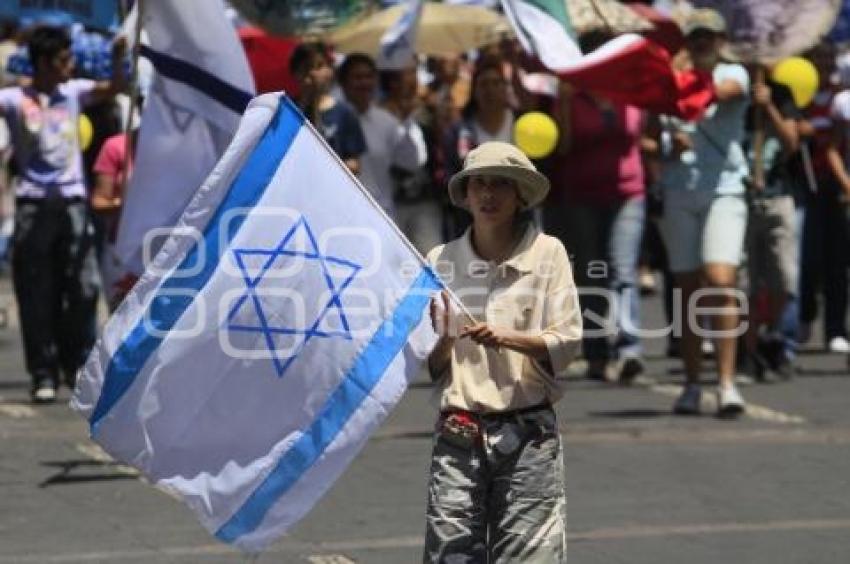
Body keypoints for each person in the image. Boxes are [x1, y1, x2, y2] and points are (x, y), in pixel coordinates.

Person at [424, 141, 582, 562]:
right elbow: (429, 364)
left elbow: (567, 340)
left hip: (529, 434)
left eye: (500, 185)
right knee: (451, 555)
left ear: (520, 196)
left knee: (530, 556)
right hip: (458, 432)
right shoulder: (439, 261)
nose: (488, 195)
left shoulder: (548, 253)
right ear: (467, 194)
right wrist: (444, 338)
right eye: (479, 184)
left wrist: (506, 337)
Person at [0, 25, 126, 403]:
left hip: (73, 204)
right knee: (38, 291)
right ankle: (44, 371)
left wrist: (120, 54)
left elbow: (115, 87)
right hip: (33, 205)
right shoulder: (13, 99)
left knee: (83, 287)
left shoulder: (73, 93)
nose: (69, 67)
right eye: (62, 61)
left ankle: (78, 366)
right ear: (43, 63)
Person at [655, 9, 750, 417]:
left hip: (724, 189)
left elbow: (725, 92)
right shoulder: (667, 83)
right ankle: (693, 384)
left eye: (708, 36)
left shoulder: (735, 73)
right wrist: (666, 146)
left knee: (720, 279)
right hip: (679, 191)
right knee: (688, 288)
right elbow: (650, 138)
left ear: (720, 39)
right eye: (695, 37)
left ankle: (727, 384)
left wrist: (679, 81)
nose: (701, 43)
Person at [544, 31, 650, 384]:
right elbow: (563, 147)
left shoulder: (629, 92)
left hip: (627, 191)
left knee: (622, 268)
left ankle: (629, 348)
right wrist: (562, 103)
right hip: (583, 193)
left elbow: (638, 134)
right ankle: (596, 350)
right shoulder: (571, 94)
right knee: (591, 271)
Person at [742, 68, 800, 381]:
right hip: (743, 199)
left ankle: (772, 333)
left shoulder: (781, 93)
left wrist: (769, 107)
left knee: (784, 279)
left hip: (779, 197)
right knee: (746, 283)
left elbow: (791, 142)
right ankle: (750, 354)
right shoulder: (733, 91)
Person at [289, 41, 365, 174]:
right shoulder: (288, 112)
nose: (313, 73)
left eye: (319, 66)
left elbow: (354, 163)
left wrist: (329, 167)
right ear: (296, 74)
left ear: (330, 71)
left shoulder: (344, 112)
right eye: (306, 68)